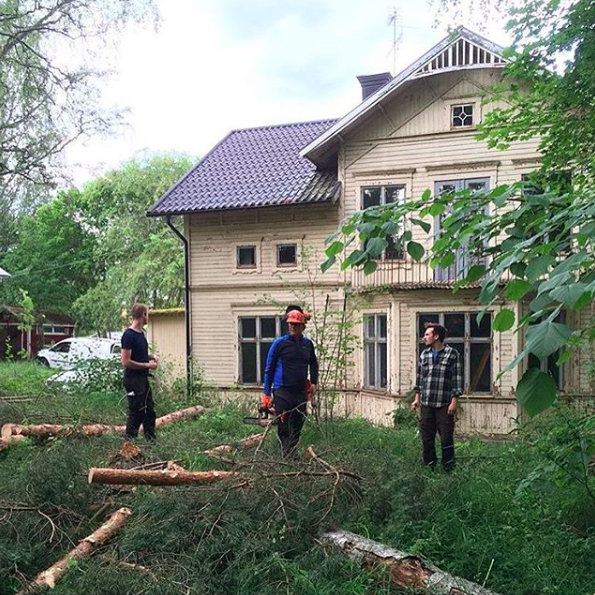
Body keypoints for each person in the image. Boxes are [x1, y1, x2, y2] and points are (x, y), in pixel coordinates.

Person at [262, 308, 318, 458]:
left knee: (299, 421)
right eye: (291, 324)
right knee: (284, 424)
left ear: (302, 327)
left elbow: (313, 364)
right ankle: (288, 456)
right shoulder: (279, 344)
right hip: (282, 391)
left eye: (296, 325)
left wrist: (313, 382)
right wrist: (267, 394)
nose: (293, 327)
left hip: (300, 391)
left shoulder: (307, 344)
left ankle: (292, 450)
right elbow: (269, 368)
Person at [411, 323, 462, 471]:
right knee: (427, 438)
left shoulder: (452, 354)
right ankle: (429, 467)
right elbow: (420, 378)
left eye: (427, 334)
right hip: (426, 403)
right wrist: (417, 398)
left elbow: (457, 378)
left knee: (446, 438)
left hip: (444, 403)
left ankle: (448, 469)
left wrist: (454, 401)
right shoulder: (424, 354)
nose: (424, 337)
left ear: (436, 336)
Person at [121, 303, 159, 441]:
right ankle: (129, 444)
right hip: (132, 380)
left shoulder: (141, 334)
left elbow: (139, 355)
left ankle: (151, 443)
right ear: (143, 315)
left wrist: (151, 357)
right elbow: (126, 361)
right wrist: (147, 365)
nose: (147, 317)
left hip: (143, 380)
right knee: (136, 412)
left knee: (149, 412)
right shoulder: (128, 335)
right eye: (147, 314)